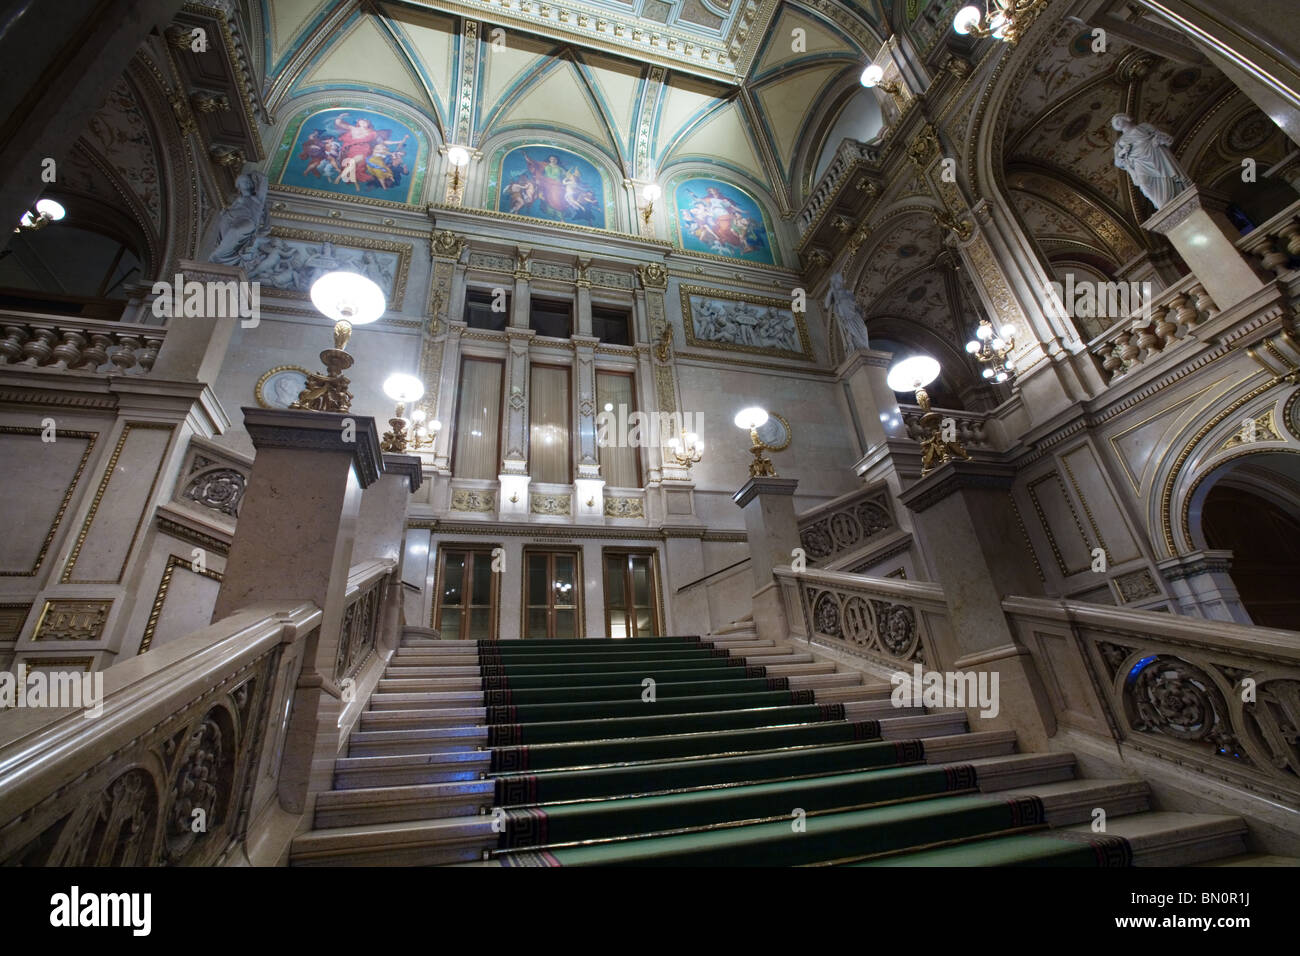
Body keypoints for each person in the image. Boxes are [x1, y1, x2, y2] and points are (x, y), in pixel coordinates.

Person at [1111, 114, 1193, 210]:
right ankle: (1163, 206)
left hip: (1155, 155)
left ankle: (1175, 197)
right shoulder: (1119, 142)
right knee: (1145, 184)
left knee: (1165, 175)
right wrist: (1122, 152)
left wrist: (1157, 139)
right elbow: (1118, 162)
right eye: (1115, 124)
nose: (1117, 124)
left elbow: (1161, 135)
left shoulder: (1144, 126)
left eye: (1117, 121)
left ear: (1126, 118)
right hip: (1139, 163)